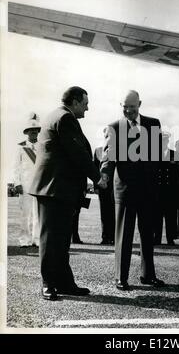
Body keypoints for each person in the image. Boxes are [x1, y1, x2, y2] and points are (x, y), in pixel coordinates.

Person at [29, 86, 101, 300]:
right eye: (85, 104)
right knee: (52, 240)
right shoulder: (65, 119)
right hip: (54, 189)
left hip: (58, 189)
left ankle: (63, 283)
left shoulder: (57, 116)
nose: (87, 109)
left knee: (60, 240)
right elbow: (77, 153)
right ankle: (48, 284)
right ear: (76, 101)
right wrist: (98, 177)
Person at [99, 90, 165, 290]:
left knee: (148, 235)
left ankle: (148, 275)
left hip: (147, 190)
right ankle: (121, 277)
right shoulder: (114, 127)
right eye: (124, 107)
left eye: (132, 107)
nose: (128, 110)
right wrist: (104, 175)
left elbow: (157, 157)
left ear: (140, 104)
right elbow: (108, 155)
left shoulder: (153, 124)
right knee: (124, 236)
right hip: (125, 190)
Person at [13, 113, 41, 248]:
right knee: (25, 213)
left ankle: (37, 239)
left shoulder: (43, 146)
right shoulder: (21, 146)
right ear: (27, 132)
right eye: (31, 130)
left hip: (40, 184)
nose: (34, 132)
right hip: (25, 184)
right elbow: (16, 167)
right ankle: (24, 239)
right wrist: (17, 183)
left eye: (36, 130)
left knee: (38, 213)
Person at [154, 132, 177, 246]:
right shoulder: (153, 154)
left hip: (170, 190)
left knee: (170, 216)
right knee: (156, 216)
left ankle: (170, 238)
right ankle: (156, 238)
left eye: (165, 140)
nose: (164, 142)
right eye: (161, 140)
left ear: (168, 141)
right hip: (157, 190)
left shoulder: (175, 154)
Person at [94, 128, 115, 245]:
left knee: (114, 212)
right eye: (106, 134)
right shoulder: (98, 150)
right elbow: (94, 167)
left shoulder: (118, 149)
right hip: (103, 186)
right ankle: (105, 236)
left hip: (114, 186)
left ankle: (114, 236)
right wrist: (96, 186)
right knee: (104, 212)